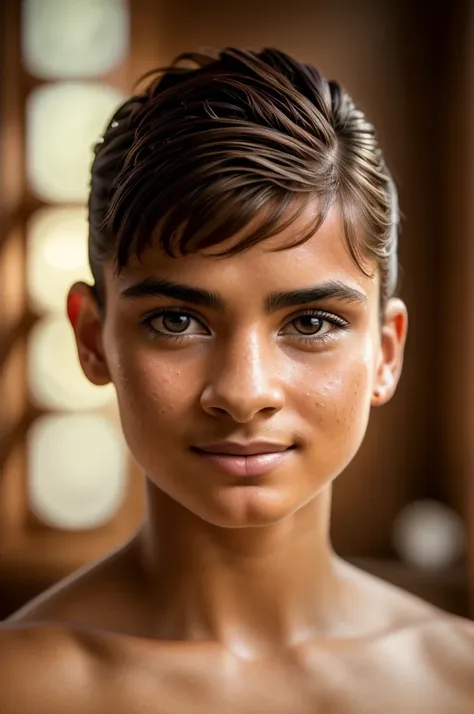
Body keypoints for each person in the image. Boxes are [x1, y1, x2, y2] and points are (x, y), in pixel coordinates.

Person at [1, 47, 473, 713]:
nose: (245, 392)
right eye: (176, 320)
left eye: (310, 323)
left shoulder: (459, 681)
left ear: (386, 352)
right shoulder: (17, 688)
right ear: (92, 340)